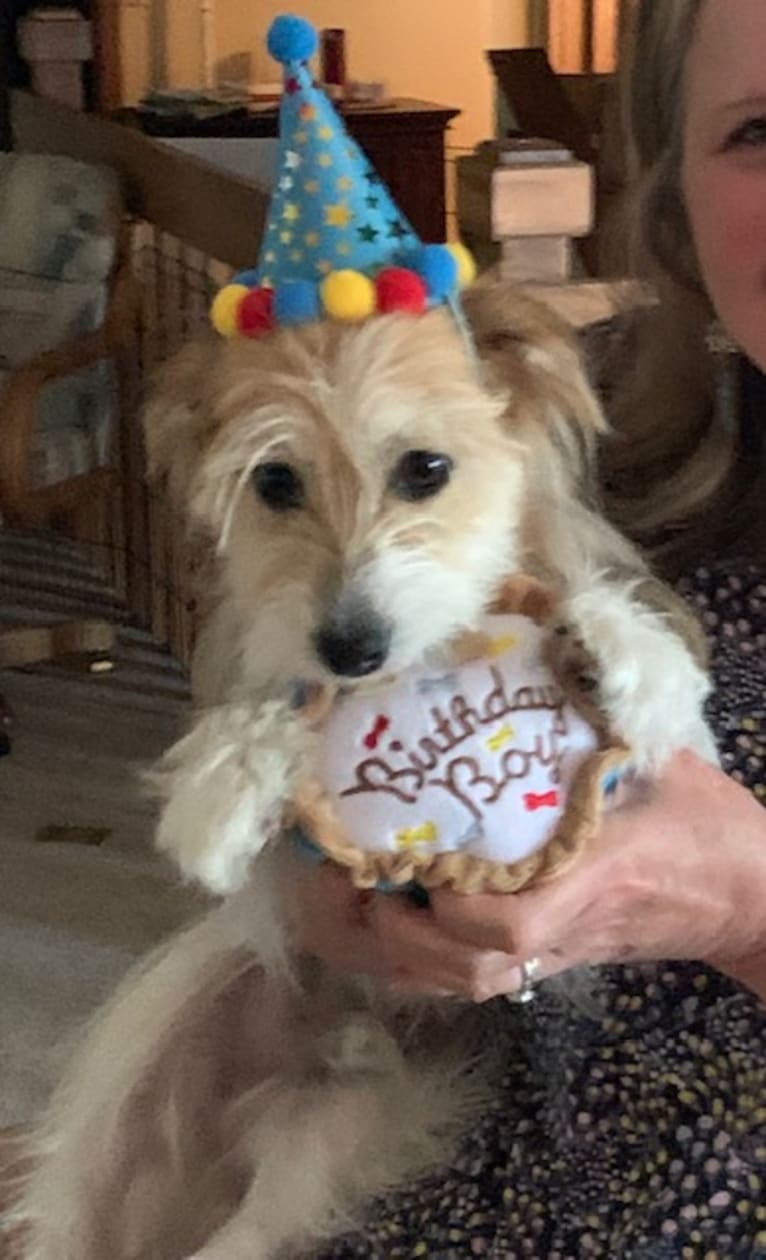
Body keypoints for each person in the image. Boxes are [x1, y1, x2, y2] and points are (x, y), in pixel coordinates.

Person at [297, 2, 766, 1256]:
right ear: (669, 199)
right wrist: (349, 894)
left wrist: (744, 908)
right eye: (759, 130)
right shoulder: (579, 428)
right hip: (488, 1174)